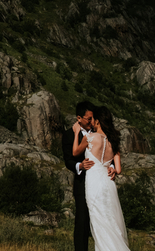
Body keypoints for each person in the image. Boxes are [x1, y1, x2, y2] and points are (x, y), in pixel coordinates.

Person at [71, 105, 130, 251]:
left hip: (94, 184)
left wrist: (76, 132)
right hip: (108, 183)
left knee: (99, 221)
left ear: (97, 121)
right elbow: (119, 169)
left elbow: (75, 152)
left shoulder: (89, 138)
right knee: (110, 220)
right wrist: (112, 169)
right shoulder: (113, 142)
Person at [62, 101, 95, 251]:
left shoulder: (98, 132)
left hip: (99, 182)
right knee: (82, 220)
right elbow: (68, 160)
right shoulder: (69, 135)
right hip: (82, 183)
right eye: (89, 118)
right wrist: (79, 166)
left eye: (92, 118)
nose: (91, 121)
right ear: (79, 118)